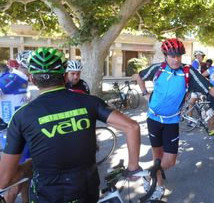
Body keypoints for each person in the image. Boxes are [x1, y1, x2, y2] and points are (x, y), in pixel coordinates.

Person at [0, 47, 141, 203]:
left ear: (32, 79)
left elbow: (4, 180)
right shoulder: (90, 101)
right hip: (87, 191)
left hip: (46, 195)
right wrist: (133, 167)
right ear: (64, 76)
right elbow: (132, 127)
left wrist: (29, 165)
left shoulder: (21, 116)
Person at [133, 38, 214, 200]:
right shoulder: (158, 69)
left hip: (171, 121)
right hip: (153, 119)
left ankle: (148, 174)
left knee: (170, 160)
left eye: (179, 56)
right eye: (172, 56)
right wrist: (145, 93)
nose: (176, 59)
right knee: (157, 154)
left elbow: (211, 90)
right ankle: (159, 186)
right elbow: (138, 75)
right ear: (165, 55)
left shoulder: (188, 72)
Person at [0, 51, 32, 203]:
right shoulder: (12, 78)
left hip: (21, 132)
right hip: (11, 135)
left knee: (26, 173)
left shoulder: (22, 79)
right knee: (16, 178)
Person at [188, 50, 208, 125]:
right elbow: (194, 75)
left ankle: (191, 120)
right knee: (202, 101)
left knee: (193, 102)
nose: (203, 58)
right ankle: (192, 121)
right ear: (198, 56)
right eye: (202, 56)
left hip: (195, 85)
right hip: (196, 86)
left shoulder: (197, 63)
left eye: (203, 56)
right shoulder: (195, 63)